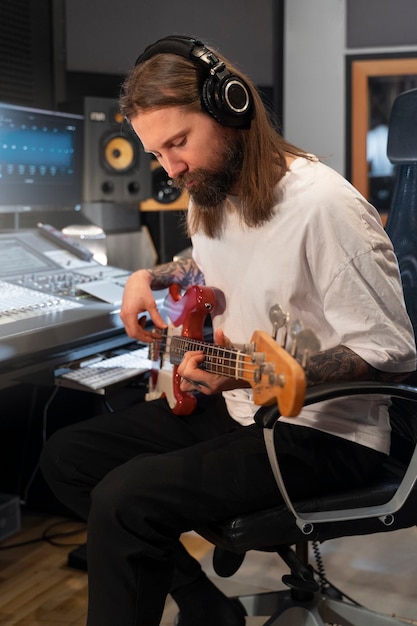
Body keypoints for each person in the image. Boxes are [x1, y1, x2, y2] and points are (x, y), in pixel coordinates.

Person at [40, 35, 416, 626]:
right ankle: (206, 607)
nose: (171, 169)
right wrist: (151, 275)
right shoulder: (209, 193)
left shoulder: (324, 207)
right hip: (242, 407)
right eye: (156, 154)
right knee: (68, 458)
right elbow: (208, 259)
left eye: (178, 144)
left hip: (326, 433)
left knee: (125, 499)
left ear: (231, 108)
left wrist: (276, 371)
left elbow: (392, 349)